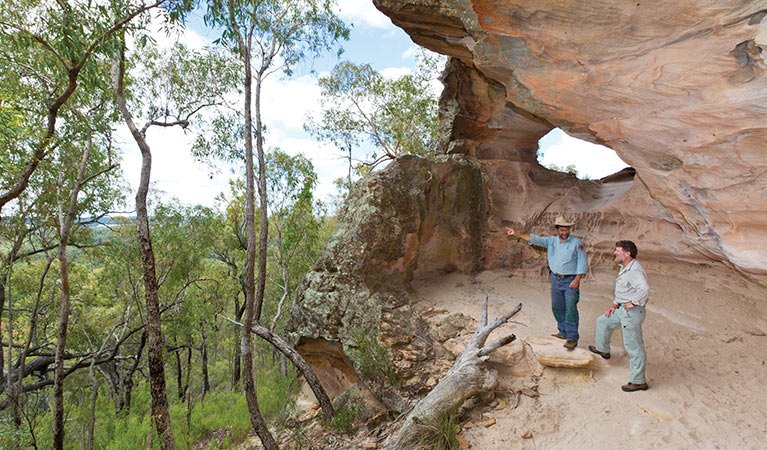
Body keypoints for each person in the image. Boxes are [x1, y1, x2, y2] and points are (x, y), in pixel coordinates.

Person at [506, 216, 589, 350]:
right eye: (562, 230)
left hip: (570, 280)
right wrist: (516, 233)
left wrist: (577, 279)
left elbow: (582, 262)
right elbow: (534, 238)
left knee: (570, 308)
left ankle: (572, 338)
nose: (564, 232)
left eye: (566, 229)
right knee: (556, 307)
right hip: (556, 279)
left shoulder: (577, 243)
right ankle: (563, 332)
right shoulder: (551, 241)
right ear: (557, 229)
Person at [588, 240, 650, 392]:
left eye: (617, 250)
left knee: (633, 346)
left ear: (627, 253)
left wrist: (634, 302)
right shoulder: (625, 267)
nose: (614, 253)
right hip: (621, 309)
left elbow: (644, 289)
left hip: (631, 313)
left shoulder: (635, 270)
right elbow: (623, 291)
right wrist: (615, 305)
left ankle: (638, 381)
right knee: (603, 322)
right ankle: (603, 349)